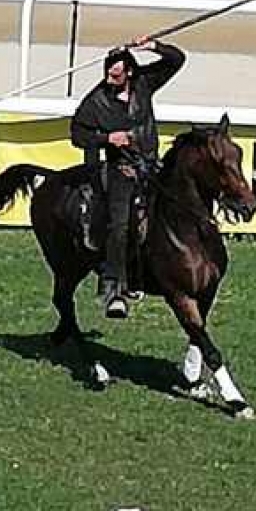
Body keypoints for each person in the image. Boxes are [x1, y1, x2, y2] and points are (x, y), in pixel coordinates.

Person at [70, 36, 185, 319]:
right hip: (120, 171)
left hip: (150, 167)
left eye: (117, 72)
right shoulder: (95, 101)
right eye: (108, 72)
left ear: (130, 72)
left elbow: (177, 60)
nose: (111, 77)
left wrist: (153, 46)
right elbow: (77, 135)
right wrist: (107, 138)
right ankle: (113, 288)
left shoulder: (144, 84)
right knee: (120, 225)